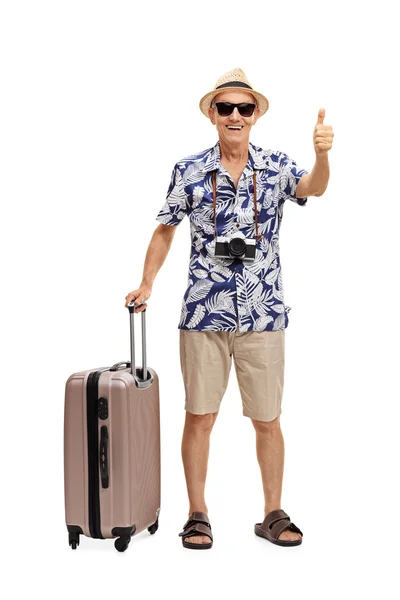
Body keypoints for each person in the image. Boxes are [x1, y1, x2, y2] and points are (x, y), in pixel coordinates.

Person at [125, 68, 333, 549]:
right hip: (204, 315)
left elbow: (313, 188)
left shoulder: (276, 165)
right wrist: (146, 283)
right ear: (212, 115)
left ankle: (272, 513)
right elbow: (165, 229)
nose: (235, 116)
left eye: (244, 108)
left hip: (264, 314)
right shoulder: (190, 170)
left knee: (268, 418)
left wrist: (323, 156)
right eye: (225, 108)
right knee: (199, 416)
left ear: (255, 115)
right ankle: (197, 513)